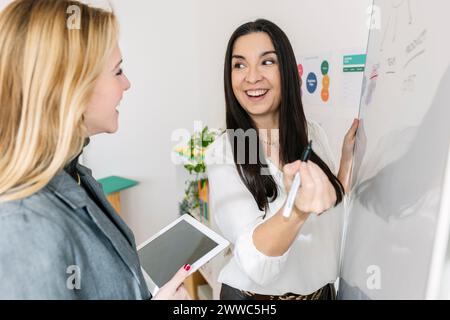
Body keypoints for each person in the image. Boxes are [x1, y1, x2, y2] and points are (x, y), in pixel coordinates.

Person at [0, 0, 190, 300]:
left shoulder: (74, 175)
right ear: (70, 86)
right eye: (118, 71)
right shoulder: (22, 226)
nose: (126, 84)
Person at [206, 19, 359, 300]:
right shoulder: (225, 152)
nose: (251, 77)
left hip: (323, 294)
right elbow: (256, 264)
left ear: (286, 70)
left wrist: (347, 163)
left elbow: (328, 213)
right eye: (239, 65)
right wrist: (296, 210)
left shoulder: (311, 132)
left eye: (267, 62)